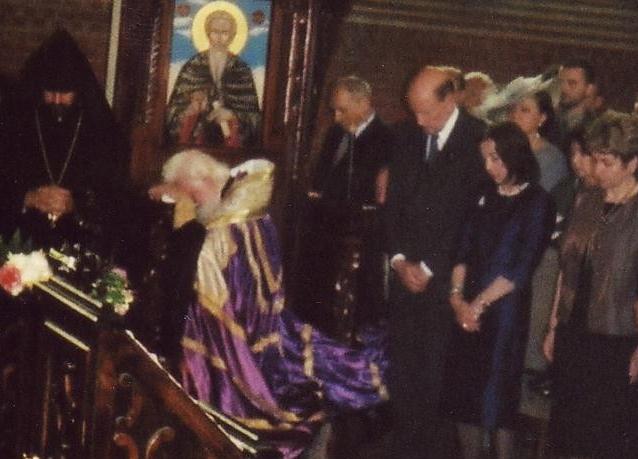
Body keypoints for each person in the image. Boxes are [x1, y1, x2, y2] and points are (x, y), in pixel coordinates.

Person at [149, 150, 388, 458]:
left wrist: (183, 228)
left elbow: (200, 285)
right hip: (255, 320)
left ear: (203, 180)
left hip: (236, 331)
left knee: (258, 397)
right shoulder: (239, 209)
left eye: (186, 190)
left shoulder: (226, 226)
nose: (187, 199)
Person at [384, 65, 487, 457]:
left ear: (451, 99)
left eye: (427, 111)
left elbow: (468, 219)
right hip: (403, 277)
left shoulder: (477, 139)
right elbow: (392, 206)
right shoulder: (407, 135)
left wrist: (427, 267)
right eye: (414, 111)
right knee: (403, 373)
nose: (420, 120)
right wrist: (397, 260)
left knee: (435, 378)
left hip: (445, 284)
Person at [441, 122, 555, 459]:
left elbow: (521, 267)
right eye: (485, 159)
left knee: (496, 400)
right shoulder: (483, 193)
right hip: (466, 308)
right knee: (464, 398)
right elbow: (462, 249)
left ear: (514, 155)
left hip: (504, 311)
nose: (490, 167)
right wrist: (457, 299)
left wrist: (477, 306)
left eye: (496, 159)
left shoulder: (538, 201)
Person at [543, 113, 638, 459]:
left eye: (607, 162)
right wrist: (554, 326)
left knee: (606, 436)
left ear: (633, 163)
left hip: (617, 339)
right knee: (567, 431)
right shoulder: (586, 200)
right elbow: (567, 271)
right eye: (594, 160)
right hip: (574, 332)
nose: (597, 170)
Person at [0, 29, 130, 260]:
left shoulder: (102, 129)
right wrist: (27, 197)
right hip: (18, 235)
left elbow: (115, 193)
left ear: (78, 90)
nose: (57, 101)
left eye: (65, 92)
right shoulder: (14, 123)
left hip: (79, 238)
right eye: (50, 92)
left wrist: (76, 204)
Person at [299, 75, 393, 337]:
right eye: (334, 110)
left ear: (363, 103)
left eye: (342, 109)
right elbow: (323, 177)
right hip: (326, 234)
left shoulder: (386, 139)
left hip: (360, 241)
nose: (337, 117)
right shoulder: (335, 133)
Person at [166, 9, 260, 147]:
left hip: (231, 147)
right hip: (195, 146)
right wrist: (191, 110)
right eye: (215, 31)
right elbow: (172, 114)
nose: (219, 37)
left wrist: (232, 115)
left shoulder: (241, 69)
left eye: (225, 32)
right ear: (207, 33)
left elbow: (254, 118)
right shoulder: (193, 66)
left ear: (232, 35)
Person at [509, 90, 567, 191]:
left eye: (525, 110)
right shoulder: (504, 149)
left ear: (542, 118)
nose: (516, 115)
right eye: (514, 110)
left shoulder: (550, 158)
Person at [556, 59, 598, 147]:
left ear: (589, 89)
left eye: (572, 83)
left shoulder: (594, 128)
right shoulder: (547, 120)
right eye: (560, 82)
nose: (564, 88)